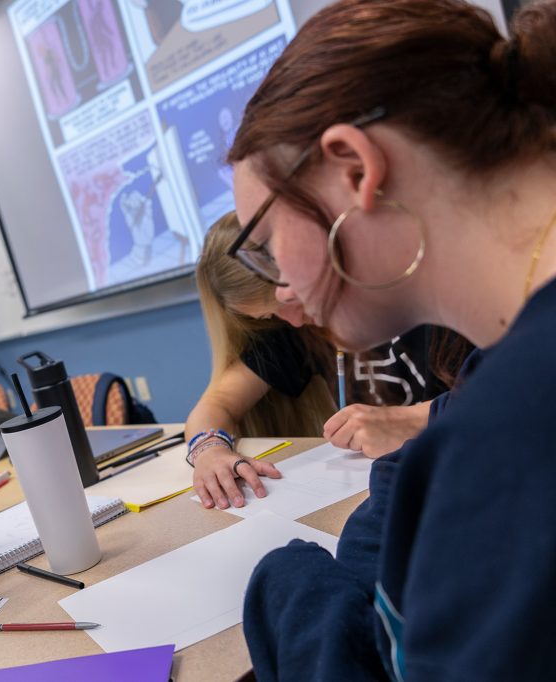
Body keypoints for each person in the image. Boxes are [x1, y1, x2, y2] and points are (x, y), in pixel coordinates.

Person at [223, 0, 556, 678]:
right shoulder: (496, 392)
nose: (281, 282)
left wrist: (287, 586)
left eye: (265, 243)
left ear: (354, 169)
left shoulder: (513, 429)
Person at [186, 212, 467, 510]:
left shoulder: (437, 289)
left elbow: (512, 388)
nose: (294, 321)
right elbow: (218, 401)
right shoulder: (299, 331)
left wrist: (416, 419)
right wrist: (209, 449)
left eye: (293, 300)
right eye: (271, 316)